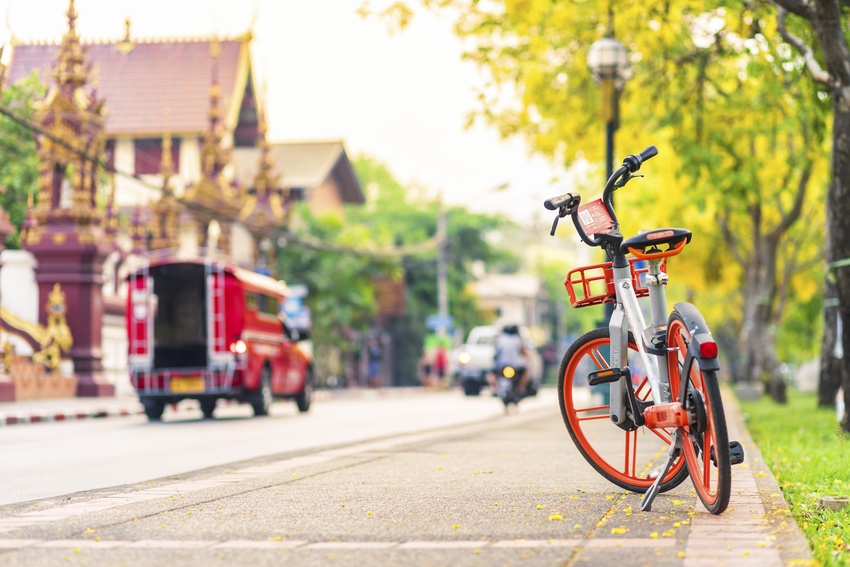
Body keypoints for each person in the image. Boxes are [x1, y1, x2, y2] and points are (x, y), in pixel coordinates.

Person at [490, 324, 529, 395]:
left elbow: (496, 353)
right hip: (516, 365)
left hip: (501, 365)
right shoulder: (518, 339)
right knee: (525, 373)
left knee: (491, 374)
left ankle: (494, 388)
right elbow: (523, 352)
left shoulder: (500, 339)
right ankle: (521, 388)